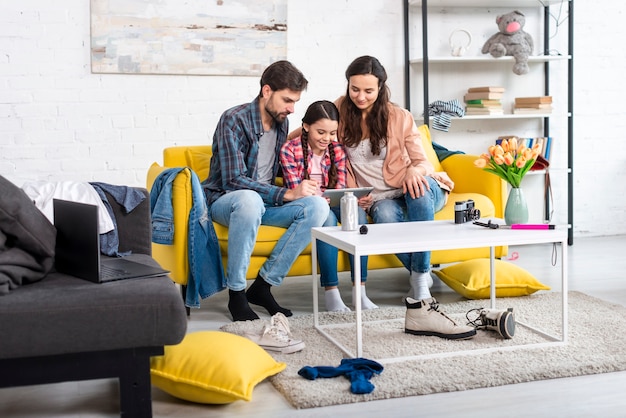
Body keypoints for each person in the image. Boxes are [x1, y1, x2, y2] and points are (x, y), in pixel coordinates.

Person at [335, 55, 475, 339]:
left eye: (368, 91)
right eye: (355, 89)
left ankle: (420, 282)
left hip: (418, 187)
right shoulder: (338, 110)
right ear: (348, 85)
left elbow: (423, 162)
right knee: (385, 215)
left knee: (419, 192)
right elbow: (312, 131)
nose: (360, 96)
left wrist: (414, 171)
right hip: (381, 198)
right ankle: (420, 273)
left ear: (381, 88)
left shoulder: (399, 116)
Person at [202, 61, 329, 322]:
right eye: (287, 100)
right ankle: (236, 293)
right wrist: (286, 194)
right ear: (267, 91)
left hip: (266, 205)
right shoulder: (233, 120)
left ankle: (262, 286)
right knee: (249, 200)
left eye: (295, 101)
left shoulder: (282, 122)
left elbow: (282, 163)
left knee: (318, 207)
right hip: (227, 202)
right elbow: (233, 180)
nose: (291, 108)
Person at [280, 100, 375, 312]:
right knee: (328, 220)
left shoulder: (338, 150)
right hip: (308, 204)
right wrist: (321, 199)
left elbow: (340, 187)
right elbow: (296, 190)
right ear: (305, 126)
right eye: (321, 132)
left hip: (331, 200)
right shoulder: (289, 150)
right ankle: (332, 292)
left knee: (357, 215)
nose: (327, 139)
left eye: (332, 133)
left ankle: (360, 291)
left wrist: (354, 199)